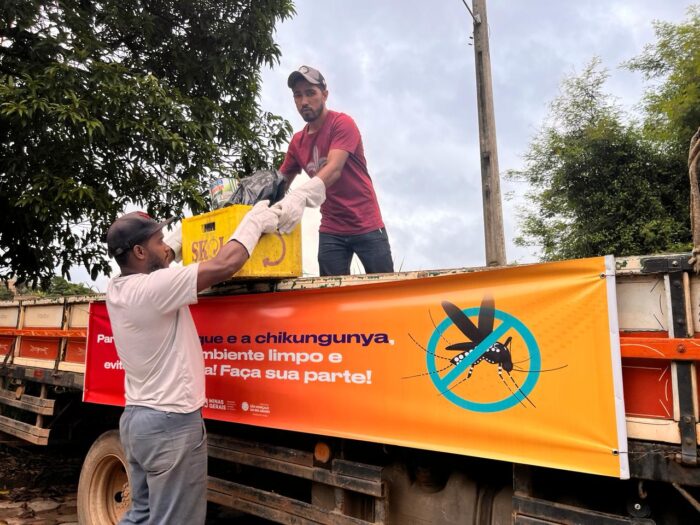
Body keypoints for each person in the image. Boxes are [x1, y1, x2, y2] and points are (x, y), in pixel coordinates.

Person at [104, 203, 279, 525]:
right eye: (158, 241)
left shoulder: (118, 287)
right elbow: (226, 264)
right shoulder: (153, 288)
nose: (165, 248)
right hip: (170, 425)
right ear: (140, 252)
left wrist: (192, 231)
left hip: (138, 421)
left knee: (141, 515)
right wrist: (253, 221)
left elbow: (164, 258)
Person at [274, 65, 394, 276]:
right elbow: (279, 184)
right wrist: (255, 202)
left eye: (310, 93)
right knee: (330, 292)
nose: (304, 101)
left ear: (325, 95)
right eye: (298, 95)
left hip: (366, 222)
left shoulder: (342, 124)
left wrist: (300, 196)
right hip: (332, 228)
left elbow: (334, 169)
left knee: (386, 289)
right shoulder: (297, 142)